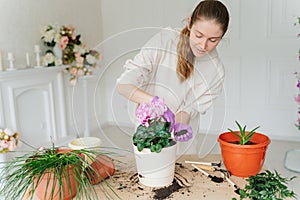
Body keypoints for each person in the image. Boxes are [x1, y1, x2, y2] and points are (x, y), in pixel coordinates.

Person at [117, 0, 230, 153]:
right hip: (148, 136)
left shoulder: (215, 70)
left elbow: (190, 108)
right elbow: (124, 86)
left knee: (186, 175)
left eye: (213, 40)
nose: (203, 46)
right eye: (198, 35)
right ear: (189, 23)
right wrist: (155, 103)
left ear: (222, 37)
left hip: (184, 145)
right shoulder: (165, 40)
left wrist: (180, 124)